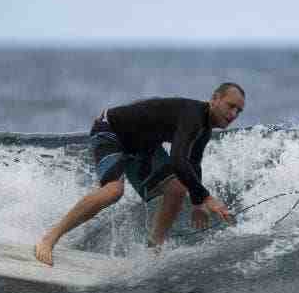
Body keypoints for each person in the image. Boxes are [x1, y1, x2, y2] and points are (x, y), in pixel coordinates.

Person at [35, 83, 245, 266]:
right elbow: (178, 160)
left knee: (177, 188)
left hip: (142, 146)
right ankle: (49, 239)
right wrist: (207, 198)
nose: (234, 114)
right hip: (111, 130)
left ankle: (153, 252)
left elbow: (192, 163)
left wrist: (198, 204)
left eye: (239, 111)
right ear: (215, 99)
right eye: (231, 106)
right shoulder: (193, 115)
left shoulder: (204, 129)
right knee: (113, 191)